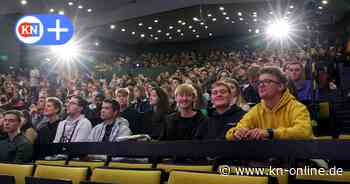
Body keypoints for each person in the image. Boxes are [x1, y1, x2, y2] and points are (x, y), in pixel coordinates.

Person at [226, 67, 313, 141]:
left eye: (267, 81)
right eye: (259, 82)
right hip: (266, 158)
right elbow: (230, 133)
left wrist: (270, 133)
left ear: (280, 86)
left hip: (296, 157)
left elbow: (304, 132)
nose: (261, 85)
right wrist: (237, 133)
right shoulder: (256, 110)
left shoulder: (297, 107)